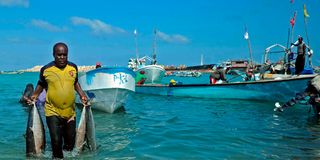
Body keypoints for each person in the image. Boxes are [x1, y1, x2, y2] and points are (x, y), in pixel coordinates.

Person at [27, 42, 88, 159]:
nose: (62, 57)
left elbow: (75, 83)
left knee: (70, 143)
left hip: (70, 112)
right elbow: (41, 84)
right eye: (59, 55)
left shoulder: (73, 68)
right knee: (56, 141)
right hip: (52, 111)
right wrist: (34, 95)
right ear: (53, 54)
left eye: (65, 55)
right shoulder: (46, 69)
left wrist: (82, 95)